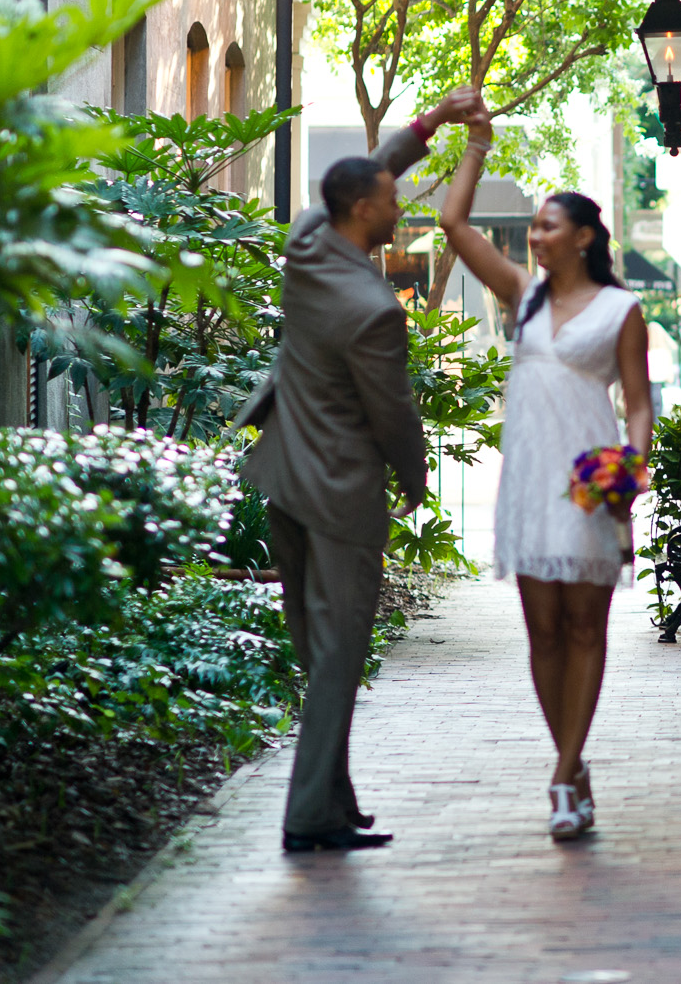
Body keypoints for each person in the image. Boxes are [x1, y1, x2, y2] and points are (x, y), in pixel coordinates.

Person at [234, 91, 477, 853]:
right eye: (391, 196)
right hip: (339, 495)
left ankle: (332, 800)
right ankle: (309, 817)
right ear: (362, 211)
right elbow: (394, 413)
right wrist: (414, 479)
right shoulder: (373, 307)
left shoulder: (308, 243)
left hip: (281, 477)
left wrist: (429, 123)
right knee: (337, 656)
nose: (398, 201)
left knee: (319, 652)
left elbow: (363, 173)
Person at [436, 95, 653, 841]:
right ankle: (573, 763)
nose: (534, 236)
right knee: (544, 633)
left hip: (589, 480)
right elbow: (454, 225)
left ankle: (564, 773)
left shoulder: (621, 311)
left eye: (547, 225)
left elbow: (638, 402)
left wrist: (634, 466)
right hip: (529, 481)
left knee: (586, 629)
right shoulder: (521, 299)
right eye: (532, 227)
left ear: (584, 237)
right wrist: (476, 145)